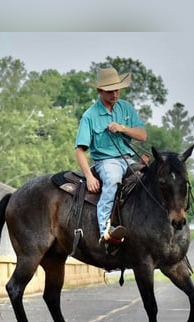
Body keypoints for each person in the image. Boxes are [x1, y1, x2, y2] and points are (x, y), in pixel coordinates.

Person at [75, 67, 147, 245]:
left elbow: (142, 135)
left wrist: (122, 128)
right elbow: (79, 150)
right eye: (109, 91)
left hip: (128, 159)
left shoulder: (126, 108)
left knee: (150, 180)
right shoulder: (89, 116)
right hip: (106, 161)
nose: (114, 94)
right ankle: (105, 232)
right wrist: (89, 176)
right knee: (113, 180)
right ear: (100, 91)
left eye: (117, 89)